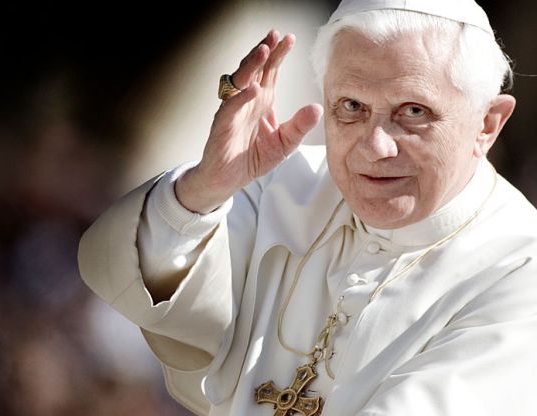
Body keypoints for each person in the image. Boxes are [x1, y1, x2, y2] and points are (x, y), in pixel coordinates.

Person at [77, 0, 537, 414]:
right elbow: (122, 276)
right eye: (351, 106)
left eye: (413, 112)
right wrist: (202, 191)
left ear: (488, 124)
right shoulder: (284, 184)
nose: (375, 147)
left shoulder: (519, 266)